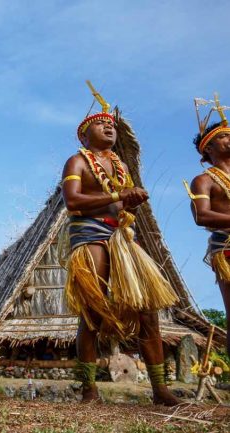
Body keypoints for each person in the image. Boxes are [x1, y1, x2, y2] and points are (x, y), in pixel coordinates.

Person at [61, 81, 180, 405]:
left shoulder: (122, 166)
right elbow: (72, 201)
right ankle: (89, 390)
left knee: (147, 312)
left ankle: (160, 390)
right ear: (84, 135)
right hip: (90, 235)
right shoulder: (77, 162)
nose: (108, 127)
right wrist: (118, 195)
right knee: (92, 313)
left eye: (111, 124)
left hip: (124, 237)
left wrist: (132, 200)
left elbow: (121, 200)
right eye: (100, 124)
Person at [185, 93, 230, 354]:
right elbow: (201, 216)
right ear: (208, 149)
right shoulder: (203, 181)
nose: (229, 138)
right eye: (222, 136)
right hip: (226, 247)